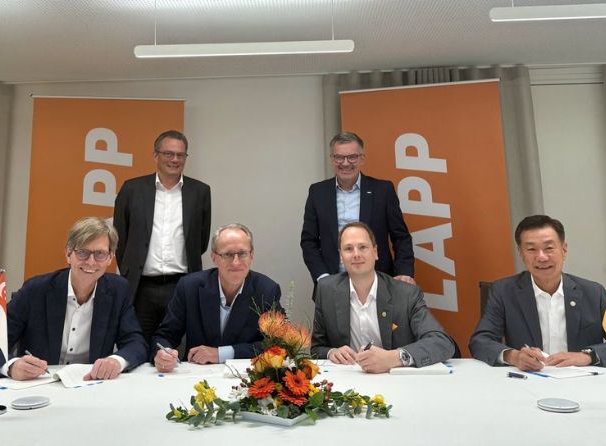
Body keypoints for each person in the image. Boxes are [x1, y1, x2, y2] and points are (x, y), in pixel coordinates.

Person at [0, 217, 148, 381]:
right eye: (83, 253)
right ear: (68, 254)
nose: (91, 262)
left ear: (110, 257)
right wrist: (12, 366)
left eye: (100, 254)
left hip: (90, 385)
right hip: (41, 384)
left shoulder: (118, 290)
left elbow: (136, 343)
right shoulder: (35, 291)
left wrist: (116, 361)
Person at [469, 215, 606, 371]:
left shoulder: (593, 293)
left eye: (549, 248)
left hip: (583, 382)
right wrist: (513, 356)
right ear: (521, 253)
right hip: (528, 381)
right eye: (531, 249)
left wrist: (588, 356)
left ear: (564, 250)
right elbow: (480, 341)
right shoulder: (504, 291)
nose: (541, 257)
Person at [311, 222, 456, 373]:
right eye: (348, 249)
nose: (356, 254)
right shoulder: (326, 290)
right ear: (341, 256)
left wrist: (394, 358)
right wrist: (331, 352)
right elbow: (316, 348)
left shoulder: (406, 294)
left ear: (375, 252)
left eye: (363, 247)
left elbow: (442, 342)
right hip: (349, 379)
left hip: (395, 380)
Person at [113, 129, 211, 341]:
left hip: (182, 286)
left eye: (180, 155)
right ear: (155, 155)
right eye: (168, 154)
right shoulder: (132, 189)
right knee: (137, 344)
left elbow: (201, 241)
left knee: (176, 349)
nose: (174, 160)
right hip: (141, 287)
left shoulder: (200, 192)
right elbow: (119, 238)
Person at [152, 223, 281, 372]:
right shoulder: (189, 287)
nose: (236, 262)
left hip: (245, 376)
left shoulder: (267, 290)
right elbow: (165, 335)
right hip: (196, 375)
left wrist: (220, 354)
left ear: (251, 256)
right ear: (214, 258)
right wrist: (162, 353)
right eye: (227, 254)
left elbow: (276, 344)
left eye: (242, 253)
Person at [300, 131, 414, 289]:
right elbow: (309, 241)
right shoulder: (317, 192)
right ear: (332, 158)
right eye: (339, 157)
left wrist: (404, 272)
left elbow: (401, 237)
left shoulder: (383, 191)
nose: (345, 163)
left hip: (378, 283)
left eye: (352, 157)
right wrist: (322, 277)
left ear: (362, 158)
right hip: (333, 285)